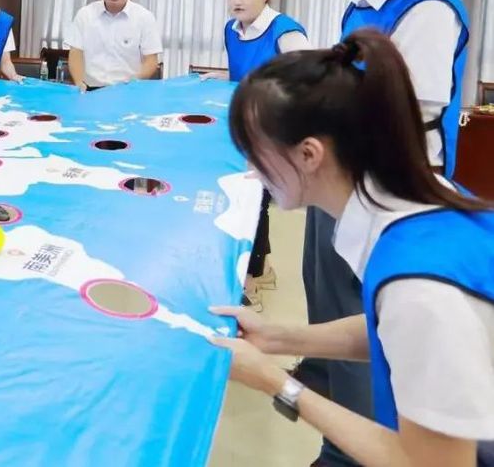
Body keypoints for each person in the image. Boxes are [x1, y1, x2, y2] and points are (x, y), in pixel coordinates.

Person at [210, 29, 493, 467]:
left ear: (309, 154)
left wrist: (275, 383)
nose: (251, 169)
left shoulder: (418, 288)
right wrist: (278, 338)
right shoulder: (417, 200)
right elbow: (390, 327)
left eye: (257, 152)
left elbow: (431, 463)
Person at [297, 0, 470, 466]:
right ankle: (331, 401)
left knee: (368, 308)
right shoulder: (363, 3)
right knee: (324, 289)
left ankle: (356, 447)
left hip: (390, 184)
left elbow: (409, 105)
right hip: (345, 175)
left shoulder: (427, 6)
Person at [205, 0, 311, 311]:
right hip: (245, 122)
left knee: (256, 198)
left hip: (275, 127)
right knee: (248, 196)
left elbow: (306, 83)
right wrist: (222, 76)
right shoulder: (231, 28)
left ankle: (253, 276)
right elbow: (243, 72)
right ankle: (260, 268)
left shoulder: (285, 31)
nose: (236, 1)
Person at [65, 0, 163, 91]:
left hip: (127, 90)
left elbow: (151, 60)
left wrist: (134, 82)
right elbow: (76, 53)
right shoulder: (85, 15)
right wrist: (79, 83)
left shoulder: (144, 18)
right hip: (90, 90)